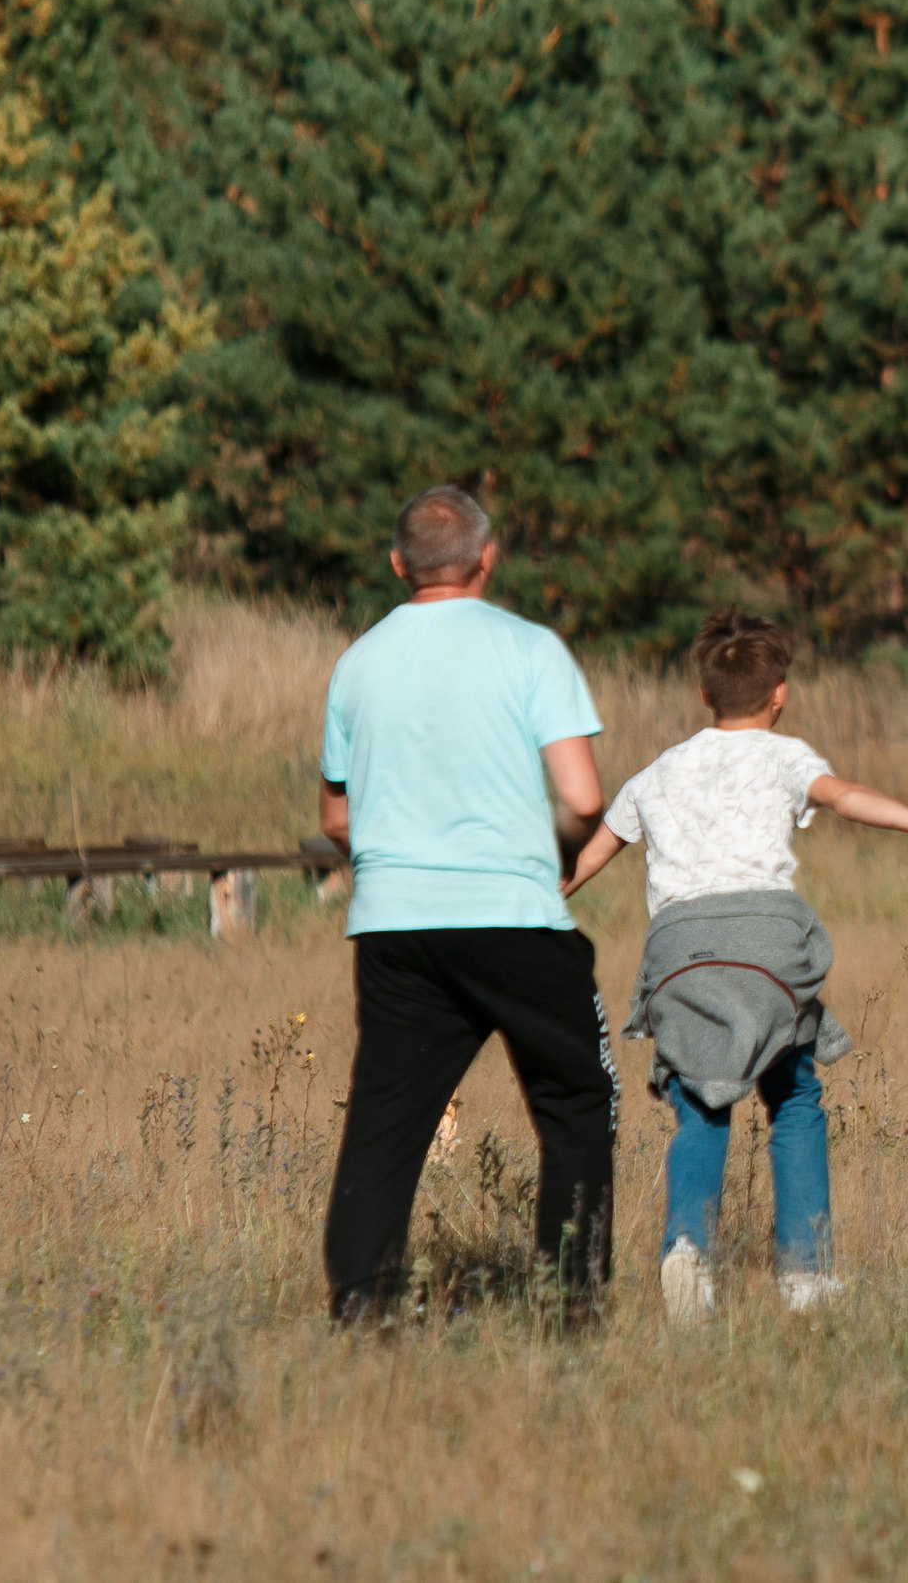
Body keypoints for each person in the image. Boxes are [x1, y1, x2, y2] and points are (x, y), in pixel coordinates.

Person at [563, 610, 908, 1321]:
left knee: (702, 1102)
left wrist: (526, 899)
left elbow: (588, 857)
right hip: (767, 945)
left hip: (679, 951)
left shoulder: (657, 772)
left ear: (704, 694)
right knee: (793, 1096)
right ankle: (806, 1274)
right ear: (780, 695)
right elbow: (846, 797)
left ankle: (687, 1250)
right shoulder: (786, 758)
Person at [318, 486, 616, 1326]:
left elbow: (337, 818)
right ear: (488, 557)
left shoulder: (357, 663)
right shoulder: (531, 649)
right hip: (514, 914)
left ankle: (363, 1308)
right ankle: (572, 1304)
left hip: (394, 924)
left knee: (385, 1121)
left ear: (396, 564)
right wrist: (556, 854)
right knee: (576, 1102)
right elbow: (583, 797)